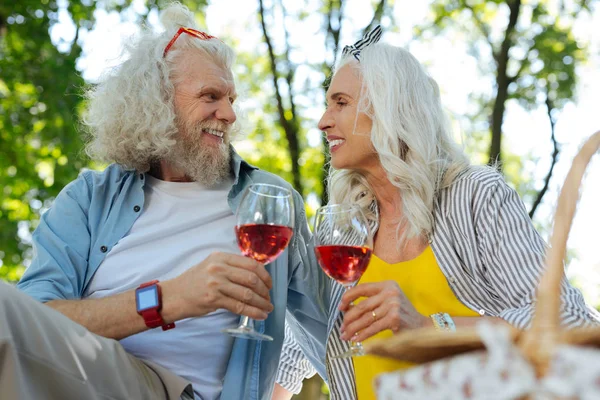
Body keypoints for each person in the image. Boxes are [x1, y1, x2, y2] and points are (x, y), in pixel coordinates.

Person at [0, 4, 327, 400]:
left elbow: (327, 326)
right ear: (156, 103)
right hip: (84, 377)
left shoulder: (268, 199)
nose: (229, 114)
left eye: (231, 98)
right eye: (210, 96)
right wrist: (168, 299)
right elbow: (32, 321)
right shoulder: (89, 199)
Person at [277, 26, 600, 400]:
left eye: (341, 102)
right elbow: (293, 352)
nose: (323, 120)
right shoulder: (342, 232)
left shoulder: (475, 196)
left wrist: (431, 327)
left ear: (389, 108)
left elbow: (563, 317)